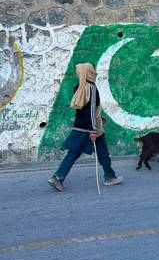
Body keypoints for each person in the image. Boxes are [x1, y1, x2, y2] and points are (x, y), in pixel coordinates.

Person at [48, 63, 123, 192]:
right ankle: (110, 177)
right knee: (102, 152)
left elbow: (82, 110)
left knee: (73, 153)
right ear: (90, 73)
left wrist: (99, 118)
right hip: (92, 128)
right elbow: (91, 110)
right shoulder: (91, 88)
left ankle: (58, 177)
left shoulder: (79, 87)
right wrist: (93, 129)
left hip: (79, 127)